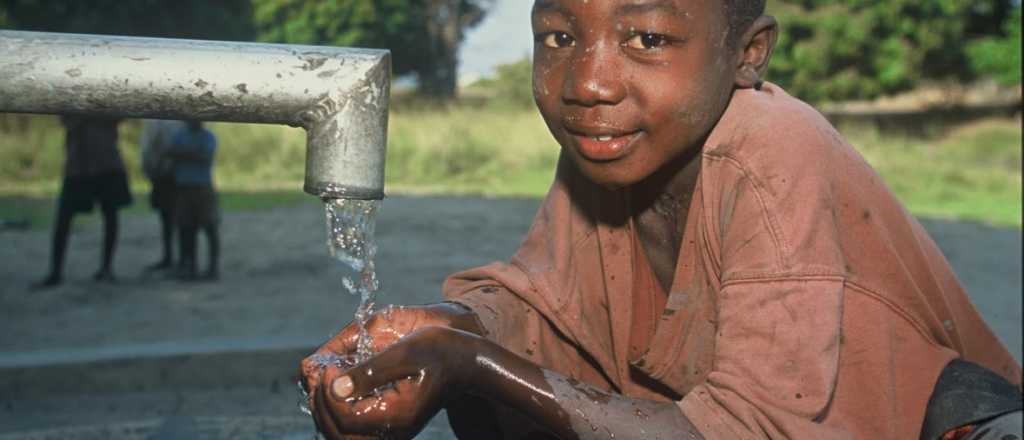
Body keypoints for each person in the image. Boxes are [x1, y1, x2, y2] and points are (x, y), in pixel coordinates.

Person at [300, 1, 1023, 439]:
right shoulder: (617, 148)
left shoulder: (772, 149)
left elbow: (754, 432)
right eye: (557, 36)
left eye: (646, 39)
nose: (587, 82)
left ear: (748, 54)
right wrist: (442, 326)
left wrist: (474, 361)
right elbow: (544, 308)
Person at [34, 115, 132, 288]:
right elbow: (65, 118)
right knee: (64, 219)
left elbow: (121, 114)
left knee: (110, 215)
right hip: (79, 164)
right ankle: (56, 271)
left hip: (105, 162)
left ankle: (106, 267)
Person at [166, 120, 220, 281]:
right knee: (186, 229)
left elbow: (204, 156)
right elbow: (170, 152)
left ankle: (212, 267)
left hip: (202, 187)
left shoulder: (207, 136)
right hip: (184, 187)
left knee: (209, 227)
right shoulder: (182, 135)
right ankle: (190, 266)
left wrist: (182, 153)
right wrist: (191, 153)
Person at [140, 119, 187, 271]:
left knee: (176, 217)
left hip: (174, 174)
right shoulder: (159, 121)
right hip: (166, 174)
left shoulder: (159, 122)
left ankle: (179, 258)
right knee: (168, 217)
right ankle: (174, 257)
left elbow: (148, 147)